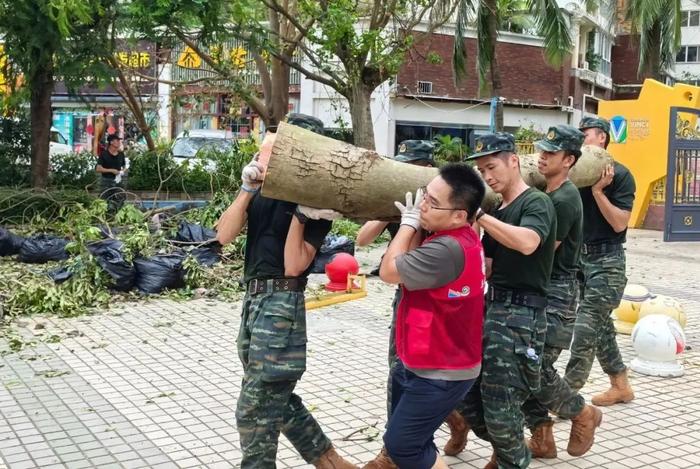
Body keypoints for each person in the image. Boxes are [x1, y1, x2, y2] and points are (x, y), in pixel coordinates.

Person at [215, 114, 357, 469]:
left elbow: (294, 265)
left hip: (282, 301)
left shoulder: (318, 202)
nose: (270, 147)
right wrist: (246, 189)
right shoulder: (263, 186)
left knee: (255, 404)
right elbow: (223, 235)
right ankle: (330, 461)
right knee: (273, 393)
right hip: (254, 299)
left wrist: (302, 215)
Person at [364, 163, 486, 469]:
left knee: (401, 444)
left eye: (432, 202)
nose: (422, 206)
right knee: (415, 441)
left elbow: (390, 271)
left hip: (441, 370)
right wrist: (420, 223)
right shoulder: (452, 236)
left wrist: (408, 224)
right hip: (421, 358)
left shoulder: (448, 248)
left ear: (460, 214)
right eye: (424, 196)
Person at [446, 132, 555, 469]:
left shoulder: (535, 202)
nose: (487, 176)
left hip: (521, 317)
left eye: (491, 167)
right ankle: (509, 451)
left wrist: (480, 217)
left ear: (513, 160)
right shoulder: (499, 209)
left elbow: (527, 243)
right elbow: (488, 267)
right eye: (481, 171)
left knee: (503, 408)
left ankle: (512, 458)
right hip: (492, 310)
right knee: (468, 397)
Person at [520, 125, 602, 459]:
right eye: (541, 151)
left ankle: (581, 412)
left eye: (551, 153)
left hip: (557, 292)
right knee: (522, 366)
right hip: (543, 288)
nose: (542, 157)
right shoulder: (550, 194)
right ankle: (542, 437)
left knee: (537, 368)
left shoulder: (564, 199)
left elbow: (542, 249)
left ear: (569, 160)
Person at [564, 116, 636, 406]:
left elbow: (620, 223)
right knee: (602, 328)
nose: (581, 141)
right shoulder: (576, 175)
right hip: (582, 260)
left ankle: (565, 397)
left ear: (602, 138)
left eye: (586, 136)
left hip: (608, 262)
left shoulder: (620, 175)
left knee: (585, 328)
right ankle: (620, 385)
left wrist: (598, 192)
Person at [95, 133, 127, 214]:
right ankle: (105, 216)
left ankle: (117, 215)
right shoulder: (104, 154)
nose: (119, 142)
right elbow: (98, 168)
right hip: (106, 181)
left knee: (120, 198)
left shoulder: (121, 154)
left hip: (118, 181)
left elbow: (124, 166)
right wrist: (111, 170)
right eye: (117, 141)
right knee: (104, 200)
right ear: (111, 142)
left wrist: (123, 171)